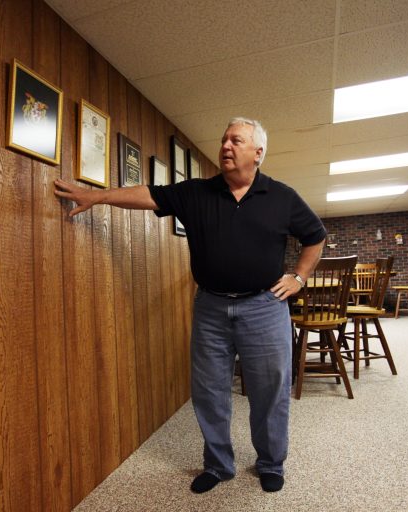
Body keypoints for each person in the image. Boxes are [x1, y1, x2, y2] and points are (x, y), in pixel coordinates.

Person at [54, 117, 326, 493]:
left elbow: (316, 236)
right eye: (224, 140)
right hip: (211, 308)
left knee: (269, 389)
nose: (226, 146)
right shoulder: (197, 192)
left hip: (264, 306)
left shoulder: (282, 197)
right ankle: (217, 465)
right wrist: (96, 196)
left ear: (258, 153)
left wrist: (299, 277)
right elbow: (148, 194)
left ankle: (270, 462)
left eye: (237, 140)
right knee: (209, 389)